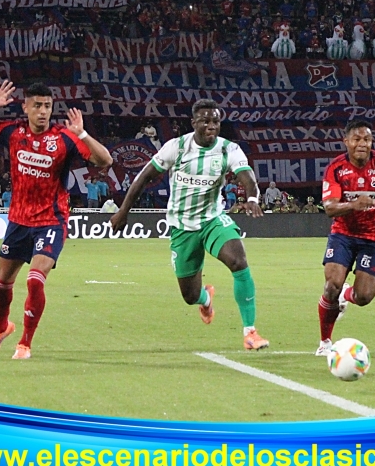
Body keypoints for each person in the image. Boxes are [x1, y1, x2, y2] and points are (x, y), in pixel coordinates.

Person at [0, 80, 112, 359]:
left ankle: (25, 344)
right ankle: (1, 328)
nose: (43, 111)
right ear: (26, 107)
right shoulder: (13, 132)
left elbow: (105, 161)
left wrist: (83, 133)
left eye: (48, 106)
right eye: (38, 105)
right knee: (2, 283)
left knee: (35, 280)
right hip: (19, 221)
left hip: (51, 221)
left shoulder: (64, 138)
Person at [110, 99, 269, 351]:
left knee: (238, 261)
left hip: (212, 219)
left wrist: (251, 199)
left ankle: (250, 332)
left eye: (215, 121)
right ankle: (205, 299)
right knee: (190, 296)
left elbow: (247, 177)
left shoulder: (228, 149)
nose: (211, 126)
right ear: (193, 123)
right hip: (182, 227)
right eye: (205, 121)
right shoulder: (177, 147)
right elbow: (144, 177)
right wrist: (123, 211)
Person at [315, 120, 375, 356]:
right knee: (331, 286)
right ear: (346, 141)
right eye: (356, 139)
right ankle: (325, 342)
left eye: (366, 139)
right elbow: (329, 208)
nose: (362, 144)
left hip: (374, 236)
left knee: (364, 297)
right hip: (343, 234)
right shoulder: (336, 168)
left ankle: (347, 294)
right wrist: (354, 205)